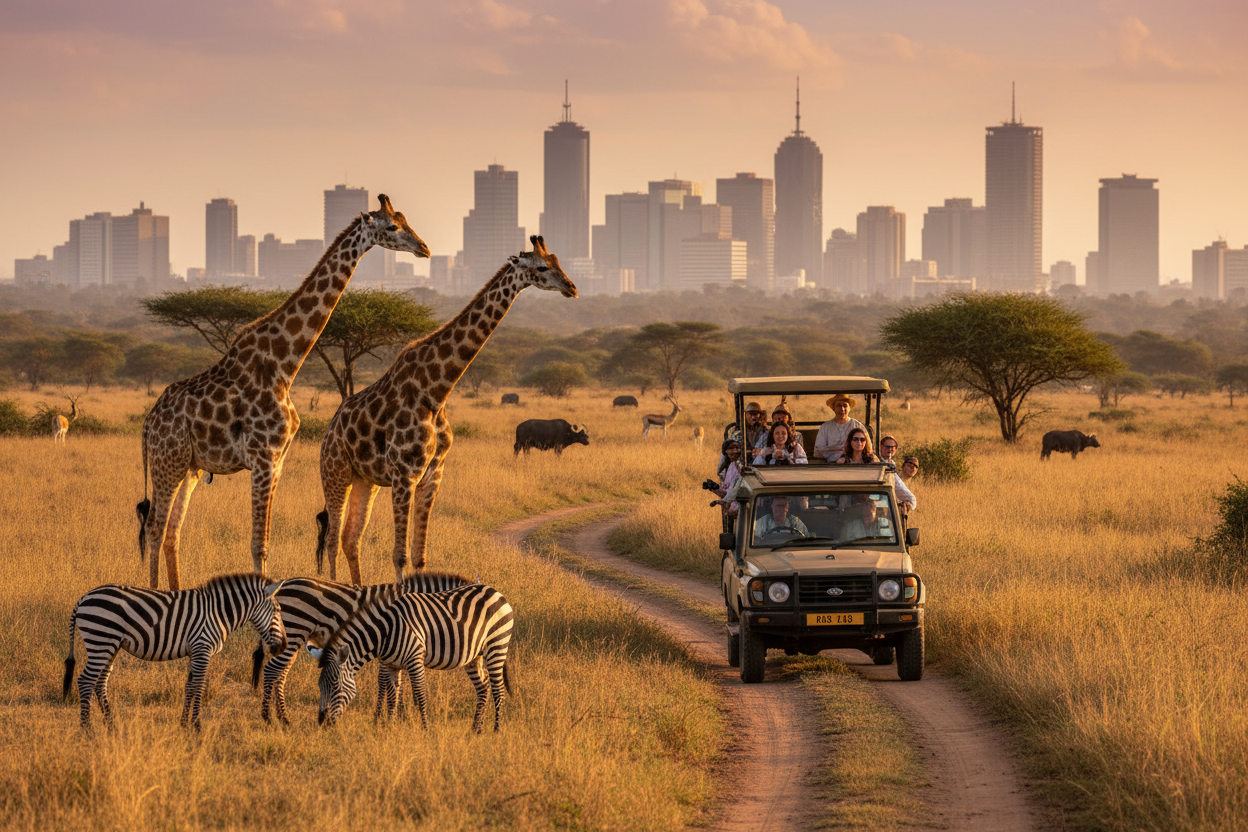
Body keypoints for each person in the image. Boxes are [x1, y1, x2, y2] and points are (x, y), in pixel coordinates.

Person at [813, 394, 866, 463]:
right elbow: (818, 451)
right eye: (839, 406)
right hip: (831, 466)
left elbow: (867, 449)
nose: (842, 409)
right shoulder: (825, 427)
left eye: (845, 405)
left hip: (853, 465)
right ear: (834, 408)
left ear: (849, 408)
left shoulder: (857, 426)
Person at [712, 438, 745, 516]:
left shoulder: (741, 465)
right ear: (726, 451)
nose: (734, 451)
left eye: (736, 448)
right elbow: (727, 490)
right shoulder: (731, 466)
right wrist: (715, 489)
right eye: (731, 449)